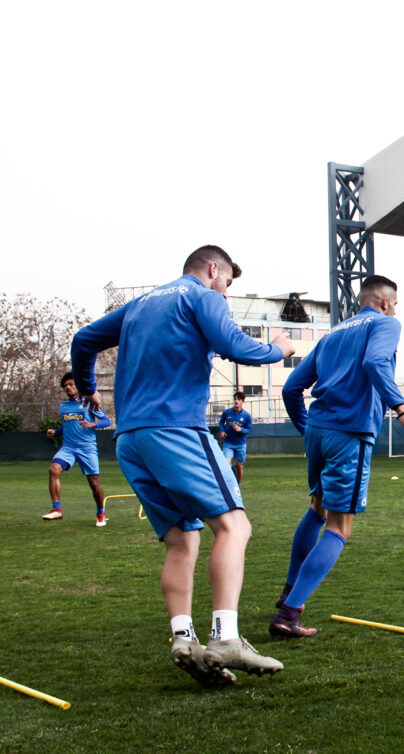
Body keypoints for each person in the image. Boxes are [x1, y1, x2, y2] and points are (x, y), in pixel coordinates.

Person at [71, 244, 294, 687]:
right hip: (175, 429)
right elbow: (234, 345)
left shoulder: (139, 304)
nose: (226, 295)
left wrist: (87, 387)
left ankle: (183, 638)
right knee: (234, 527)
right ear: (213, 269)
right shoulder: (201, 296)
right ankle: (226, 637)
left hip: (130, 440)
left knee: (181, 540)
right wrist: (276, 349)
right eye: (227, 283)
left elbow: (83, 340)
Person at [269, 275, 404, 638]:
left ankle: (289, 592)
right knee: (339, 526)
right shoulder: (386, 323)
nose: (396, 309)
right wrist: (402, 408)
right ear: (385, 302)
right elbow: (374, 362)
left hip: (319, 432)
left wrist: (306, 427)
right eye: (396, 303)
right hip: (349, 434)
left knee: (317, 509)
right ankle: (288, 615)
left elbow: (292, 388)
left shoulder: (332, 334)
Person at [43, 372, 110, 525]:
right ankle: (57, 509)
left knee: (94, 483)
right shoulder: (64, 406)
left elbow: (106, 421)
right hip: (68, 447)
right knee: (53, 469)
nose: (68, 387)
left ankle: (100, 513)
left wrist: (93, 424)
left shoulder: (89, 402)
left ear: (78, 386)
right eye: (65, 385)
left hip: (87, 448)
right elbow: (67, 425)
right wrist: (56, 431)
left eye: (71, 384)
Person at [219, 391, 252, 483]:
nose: (236, 401)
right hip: (228, 443)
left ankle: (238, 486)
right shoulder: (227, 412)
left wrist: (241, 430)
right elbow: (221, 422)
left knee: (239, 466)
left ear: (243, 401)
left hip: (240, 444)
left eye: (239, 399)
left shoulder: (246, 415)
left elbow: (249, 430)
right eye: (235, 399)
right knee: (226, 463)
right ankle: (229, 482)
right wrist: (222, 431)